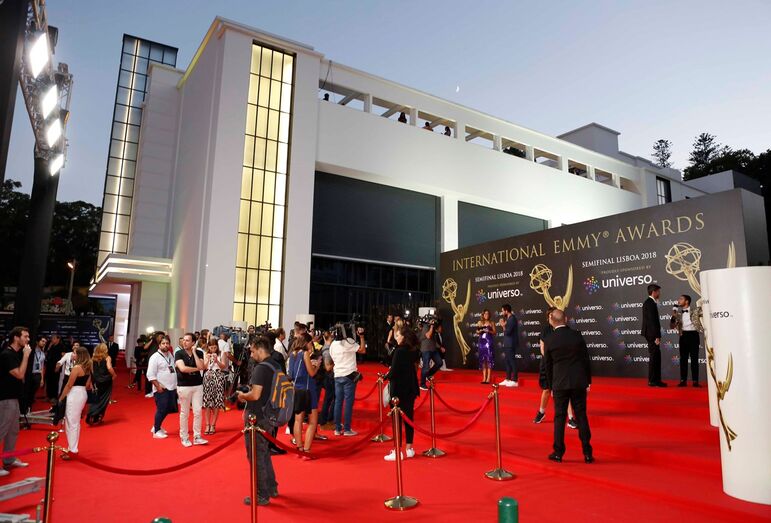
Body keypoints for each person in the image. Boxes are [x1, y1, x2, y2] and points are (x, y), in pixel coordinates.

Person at [543, 309, 593, 463]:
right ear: (566, 319)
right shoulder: (576, 335)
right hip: (578, 382)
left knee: (559, 417)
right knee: (582, 415)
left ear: (552, 320)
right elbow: (586, 359)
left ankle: (558, 453)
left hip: (560, 383)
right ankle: (587, 453)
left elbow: (548, 366)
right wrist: (588, 381)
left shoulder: (549, 339)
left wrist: (551, 386)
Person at [237, 337, 279, 506]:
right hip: (269, 415)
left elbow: (255, 395)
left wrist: (242, 396)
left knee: (255, 456)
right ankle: (271, 487)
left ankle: (262, 494)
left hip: (257, 418)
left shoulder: (261, 369)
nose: (251, 353)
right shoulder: (276, 365)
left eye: (252, 350)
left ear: (260, 349)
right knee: (263, 454)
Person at [533, 308, 577, 427]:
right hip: (548, 364)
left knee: (564, 389)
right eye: (549, 316)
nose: (551, 318)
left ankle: (571, 418)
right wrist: (551, 359)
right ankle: (541, 412)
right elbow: (542, 348)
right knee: (547, 390)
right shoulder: (545, 330)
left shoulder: (564, 330)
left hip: (560, 364)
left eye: (552, 315)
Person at [383, 324, 420, 461]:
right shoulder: (413, 350)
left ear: (403, 337)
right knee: (409, 418)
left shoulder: (399, 351)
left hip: (398, 390)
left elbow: (394, 372)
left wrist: (386, 376)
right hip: (410, 388)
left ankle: (397, 451)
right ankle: (409, 448)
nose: (396, 338)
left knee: (396, 420)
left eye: (397, 335)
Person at [0, 327, 32, 476]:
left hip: (14, 398)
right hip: (5, 399)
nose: (28, 339)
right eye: (25, 336)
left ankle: (9, 459)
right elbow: (19, 374)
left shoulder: (15, 354)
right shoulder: (7, 355)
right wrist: (26, 356)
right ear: (16, 338)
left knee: (13, 431)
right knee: (2, 431)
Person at [330, 327, 366, 436]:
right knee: (348, 404)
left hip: (337, 375)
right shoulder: (348, 342)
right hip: (349, 376)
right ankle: (346, 429)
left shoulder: (332, 345)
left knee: (338, 402)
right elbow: (363, 350)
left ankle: (337, 428)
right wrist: (362, 337)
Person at [288, 333, 319, 456]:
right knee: (312, 421)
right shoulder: (305, 354)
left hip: (296, 389)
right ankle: (306, 450)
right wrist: (316, 366)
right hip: (308, 390)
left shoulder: (292, 354)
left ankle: (300, 448)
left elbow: (290, 374)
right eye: (310, 342)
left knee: (298, 420)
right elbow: (311, 373)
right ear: (306, 342)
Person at [58, 346, 92, 458]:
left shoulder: (77, 367)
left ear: (80, 355)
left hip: (74, 394)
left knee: (71, 423)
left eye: (75, 353)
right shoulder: (88, 366)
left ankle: (72, 450)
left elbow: (69, 384)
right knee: (75, 423)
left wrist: (61, 398)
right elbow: (88, 384)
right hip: (82, 393)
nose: (73, 355)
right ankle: (72, 448)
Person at [175, 332, 207, 447]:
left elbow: (202, 366)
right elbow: (182, 369)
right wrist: (196, 369)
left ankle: (197, 436)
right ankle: (184, 437)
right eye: (184, 340)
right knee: (185, 412)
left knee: (198, 411)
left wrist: (194, 352)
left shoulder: (198, 352)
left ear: (193, 342)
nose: (184, 342)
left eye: (187, 340)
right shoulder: (178, 353)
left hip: (198, 385)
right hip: (184, 386)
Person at [146, 336, 178, 439]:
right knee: (161, 409)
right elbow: (150, 374)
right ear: (159, 345)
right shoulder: (155, 357)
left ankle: (156, 426)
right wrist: (158, 386)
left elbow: (172, 369)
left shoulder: (170, 355)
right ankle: (156, 430)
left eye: (167, 343)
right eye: (163, 343)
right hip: (161, 388)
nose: (165, 345)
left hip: (171, 387)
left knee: (168, 409)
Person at [670, 294, 700, 387]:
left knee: (694, 359)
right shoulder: (678, 314)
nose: (678, 300)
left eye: (681, 299)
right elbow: (671, 326)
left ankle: (695, 381)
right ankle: (683, 380)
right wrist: (674, 314)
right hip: (683, 336)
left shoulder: (696, 310)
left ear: (686, 301)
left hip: (694, 335)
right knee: (683, 359)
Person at [641, 284, 667, 387]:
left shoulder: (650, 302)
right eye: (658, 292)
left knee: (656, 356)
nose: (659, 293)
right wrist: (656, 336)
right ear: (654, 292)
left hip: (651, 333)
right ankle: (653, 381)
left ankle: (654, 380)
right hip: (652, 334)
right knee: (654, 357)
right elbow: (652, 321)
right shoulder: (650, 303)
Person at [86, 343, 117, 425]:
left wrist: (92, 381)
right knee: (104, 399)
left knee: (96, 398)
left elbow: (91, 371)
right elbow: (109, 367)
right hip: (106, 381)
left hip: (97, 381)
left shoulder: (93, 358)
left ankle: (92, 415)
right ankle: (97, 416)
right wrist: (114, 375)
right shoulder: (107, 357)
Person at [203, 338, 227, 435]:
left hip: (218, 377)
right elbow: (204, 367)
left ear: (217, 346)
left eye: (214, 347)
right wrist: (208, 359)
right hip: (208, 377)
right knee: (208, 402)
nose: (213, 349)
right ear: (208, 347)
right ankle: (207, 424)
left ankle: (213, 425)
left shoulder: (222, 353)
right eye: (211, 347)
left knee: (217, 401)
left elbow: (223, 366)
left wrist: (217, 360)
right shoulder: (206, 354)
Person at [22, 335, 47, 415]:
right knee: (26, 393)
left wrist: (42, 379)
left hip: (37, 375)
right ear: (37, 341)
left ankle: (28, 409)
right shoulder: (31, 351)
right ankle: (24, 410)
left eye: (45, 342)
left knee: (32, 394)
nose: (44, 343)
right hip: (29, 374)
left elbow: (42, 366)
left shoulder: (43, 353)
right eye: (42, 341)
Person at [497, 304, 519, 387]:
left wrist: (503, 325)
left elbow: (507, 332)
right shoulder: (509, 319)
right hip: (507, 343)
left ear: (506, 311)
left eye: (502, 311)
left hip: (511, 343)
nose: (502, 312)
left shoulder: (512, 319)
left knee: (512, 361)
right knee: (507, 361)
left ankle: (515, 380)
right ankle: (508, 379)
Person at [318, 331, 336, 428]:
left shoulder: (327, 349)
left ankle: (328, 419)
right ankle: (325, 421)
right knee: (328, 399)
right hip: (329, 377)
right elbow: (328, 367)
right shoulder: (327, 350)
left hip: (329, 377)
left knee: (330, 398)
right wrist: (337, 361)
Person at [419, 320, 442, 390]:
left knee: (439, 362)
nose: (433, 322)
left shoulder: (434, 328)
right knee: (426, 366)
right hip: (426, 350)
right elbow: (428, 336)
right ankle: (422, 384)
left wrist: (440, 347)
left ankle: (428, 375)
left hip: (433, 349)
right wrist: (431, 327)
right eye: (432, 320)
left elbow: (434, 340)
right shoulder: (426, 326)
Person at [476, 310, 496, 384]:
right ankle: (484, 378)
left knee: (488, 360)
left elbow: (494, 332)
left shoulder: (492, 323)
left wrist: (488, 331)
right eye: (485, 313)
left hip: (489, 342)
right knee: (483, 360)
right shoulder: (479, 322)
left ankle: (488, 378)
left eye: (488, 313)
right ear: (483, 315)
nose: (486, 315)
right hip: (481, 342)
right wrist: (481, 329)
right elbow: (477, 332)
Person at [44, 334, 64, 401]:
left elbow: (63, 357)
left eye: (54, 338)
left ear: (58, 339)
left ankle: (54, 397)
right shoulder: (51, 346)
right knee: (48, 381)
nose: (52, 339)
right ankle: (48, 396)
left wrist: (58, 366)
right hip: (49, 366)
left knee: (55, 382)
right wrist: (49, 347)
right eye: (52, 338)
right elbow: (46, 354)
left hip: (56, 367)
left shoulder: (61, 346)